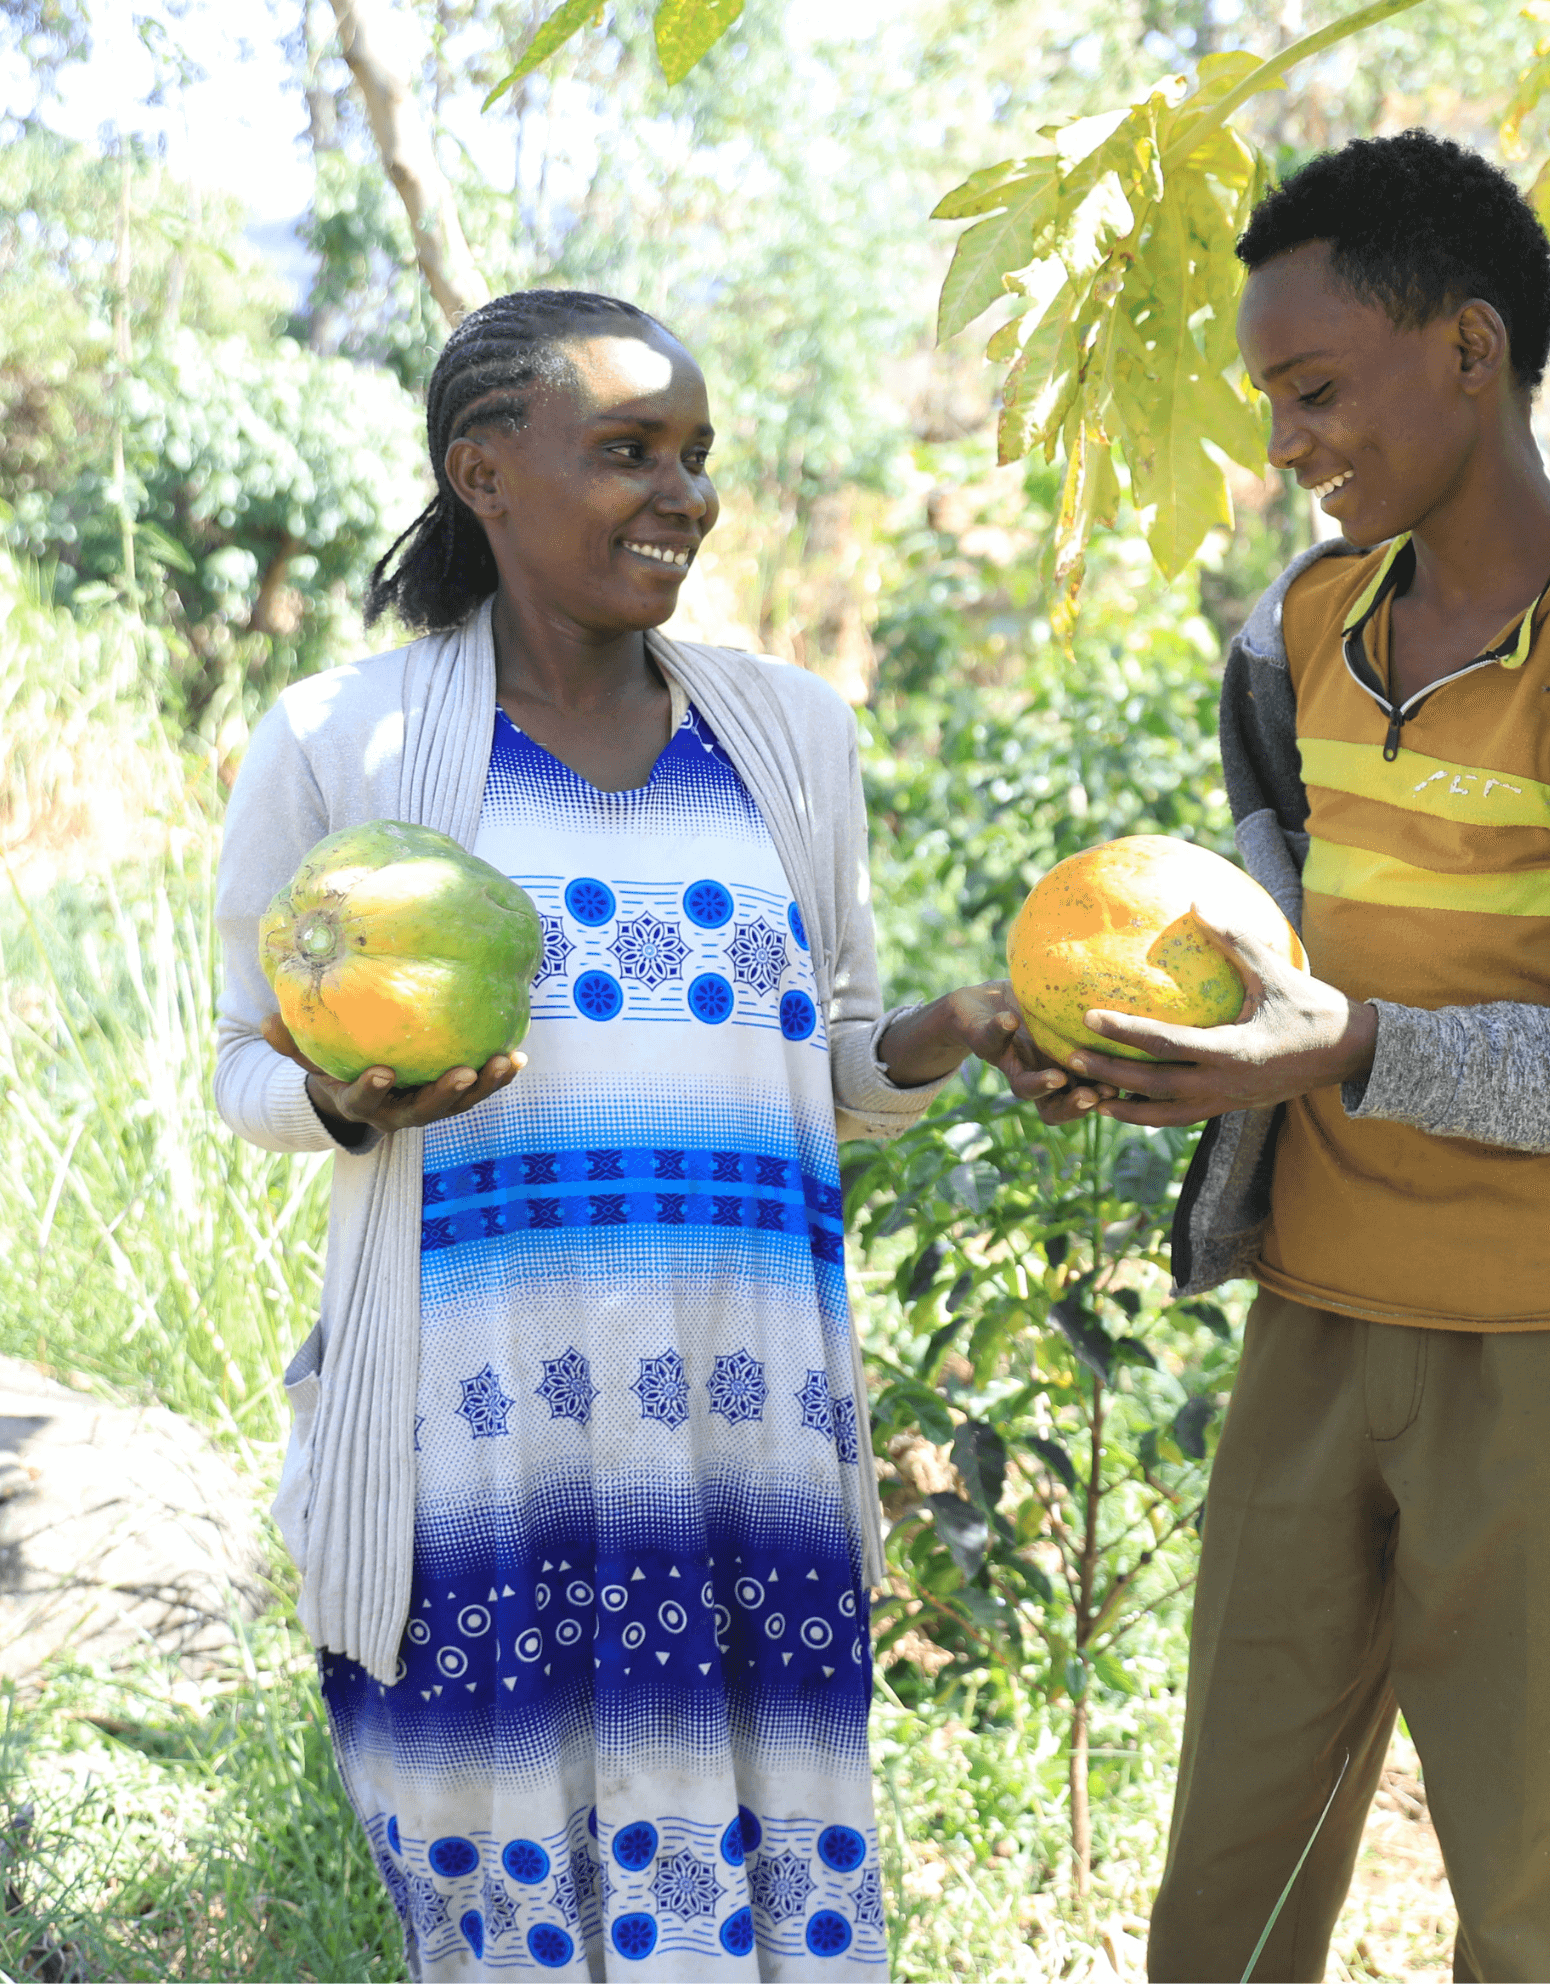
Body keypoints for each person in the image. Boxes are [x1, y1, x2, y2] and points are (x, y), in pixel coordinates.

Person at [1024, 135, 1550, 1982]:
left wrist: (1357, 1047)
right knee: (1228, 1877)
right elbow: (1274, 948)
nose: (1289, 442)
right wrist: (1142, 1039)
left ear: (1470, 351)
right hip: (1314, 1322)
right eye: (1273, 401)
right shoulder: (1296, 632)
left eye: (1316, 391)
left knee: (1524, 1909)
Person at [213, 289, 1033, 1980]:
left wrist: (944, 1037)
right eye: (629, 453)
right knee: (509, 1913)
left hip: (747, 1424)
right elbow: (237, 1064)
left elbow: (832, 1067)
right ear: (485, 472)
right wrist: (339, 1100)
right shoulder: (342, 740)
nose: (685, 495)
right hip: (480, 1439)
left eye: (696, 455)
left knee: (759, 1905)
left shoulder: (788, 737)